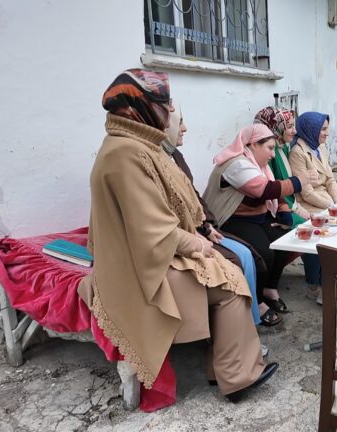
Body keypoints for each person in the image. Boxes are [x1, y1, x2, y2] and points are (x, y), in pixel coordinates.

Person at [78, 69, 277, 403]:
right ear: (142, 107)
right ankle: (235, 376)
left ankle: (229, 371)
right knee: (229, 282)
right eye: (164, 105)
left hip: (145, 256)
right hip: (134, 271)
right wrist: (198, 243)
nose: (169, 114)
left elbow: (173, 211)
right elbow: (153, 230)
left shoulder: (137, 145)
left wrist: (201, 234)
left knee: (229, 270)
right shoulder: (126, 153)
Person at [203, 124, 313, 326]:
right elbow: (265, 190)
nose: (272, 154)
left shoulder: (257, 164)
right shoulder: (237, 164)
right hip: (229, 220)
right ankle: (259, 301)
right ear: (253, 145)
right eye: (269, 148)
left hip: (256, 218)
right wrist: (299, 181)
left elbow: (275, 191)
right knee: (264, 251)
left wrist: (283, 211)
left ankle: (270, 288)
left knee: (284, 241)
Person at [163, 106, 262, 326]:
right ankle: (242, 326)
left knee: (247, 253)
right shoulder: (156, 161)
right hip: (184, 236)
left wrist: (207, 226)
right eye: (179, 123)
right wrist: (200, 234)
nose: (185, 129)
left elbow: (192, 195)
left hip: (200, 227)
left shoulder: (173, 155)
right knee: (240, 258)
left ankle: (250, 322)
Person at [254, 107, 324, 304]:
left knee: (317, 226)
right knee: (311, 229)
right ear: (275, 128)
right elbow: (279, 190)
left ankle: (317, 280)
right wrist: (300, 211)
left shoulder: (282, 148)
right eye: (289, 126)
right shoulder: (272, 154)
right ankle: (314, 284)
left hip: (287, 204)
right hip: (279, 208)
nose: (294, 131)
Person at [288, 111, 337, 213]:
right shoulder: (297, 153)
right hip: (310, 205)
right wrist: (331, 206)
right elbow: (307, 194)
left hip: (327, 200)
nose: (327, 133)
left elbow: (330, 179)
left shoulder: (320, 147)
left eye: (327, 128)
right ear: (311, 130)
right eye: (323, 129)